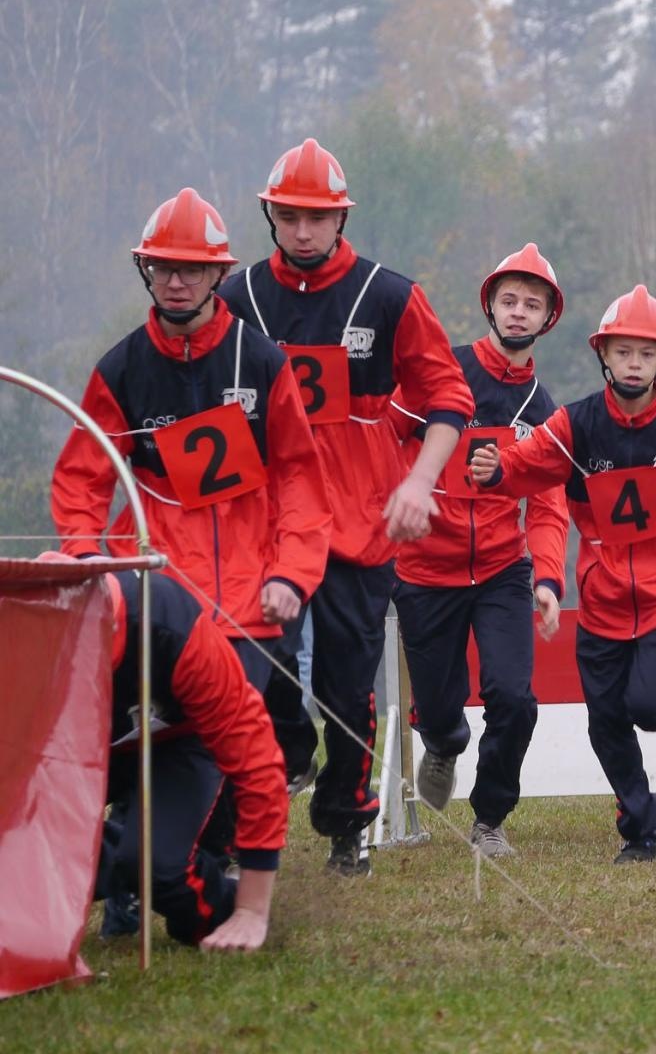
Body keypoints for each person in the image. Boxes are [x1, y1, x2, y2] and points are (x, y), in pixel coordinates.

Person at [218, 139, 474, 876]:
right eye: (289, 217)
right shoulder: (235, 298)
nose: (303, 232)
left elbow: (449, 397)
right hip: (266, 527)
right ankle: (280, 764)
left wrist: (418, 482)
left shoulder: (388, 296)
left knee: (346, 686)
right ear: (270, 216)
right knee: (255, 664)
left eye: (318, 218)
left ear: (341, 219)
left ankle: (343, 823)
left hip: (359, 525)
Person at [470, 285, 656, 862]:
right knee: (605, 722)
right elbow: (531, 461)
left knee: (651, 709)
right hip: (603, 599)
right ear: (603, 355)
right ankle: (642, 829)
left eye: (646, 354)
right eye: (623, 352)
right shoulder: (576, 423)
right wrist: (495, 469)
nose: (634, 364)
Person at [51, 188, 331, 785]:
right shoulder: (120, 369)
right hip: (153, 595)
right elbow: (82, 478)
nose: (175, 283)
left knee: (225, 755)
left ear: (218, 275)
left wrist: (291, 574)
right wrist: (85, 559)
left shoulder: (263, 362)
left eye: (192, 270)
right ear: (146, 270)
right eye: (162, 268)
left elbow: (301, 480)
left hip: (249, 601)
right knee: (143, 753)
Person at [390, 245, 570, 857]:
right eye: (509, 300)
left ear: (547, 318)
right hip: (423, 570)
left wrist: (547, 580)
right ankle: (442, 742)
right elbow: (383, 440)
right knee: (441, 711)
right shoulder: (442, 373)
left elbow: (548, 506)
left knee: (514, 699)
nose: (518, 312)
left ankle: (490, 819)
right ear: (489, 306)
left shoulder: (543, 411)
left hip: (501, 571)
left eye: (532, 305)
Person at [90, 565, 288, 952]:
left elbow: (257, 761)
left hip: (180, 740)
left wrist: (252, 910)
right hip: (85, 748)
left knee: (153, 865)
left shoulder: (174, 628)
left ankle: (222, 903)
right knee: (35, 847)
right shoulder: (26, 641)